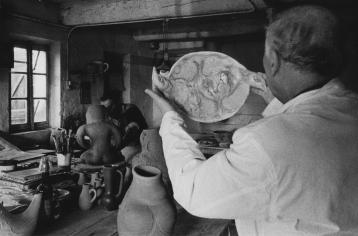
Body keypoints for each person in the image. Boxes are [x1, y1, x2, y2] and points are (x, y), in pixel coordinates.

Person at [145, 5, 358, 236]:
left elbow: (192, 190)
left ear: (273, 61)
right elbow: (300, 121)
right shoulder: (350, 108)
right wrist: (272, 95)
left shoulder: (266, 142)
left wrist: (169, 116)